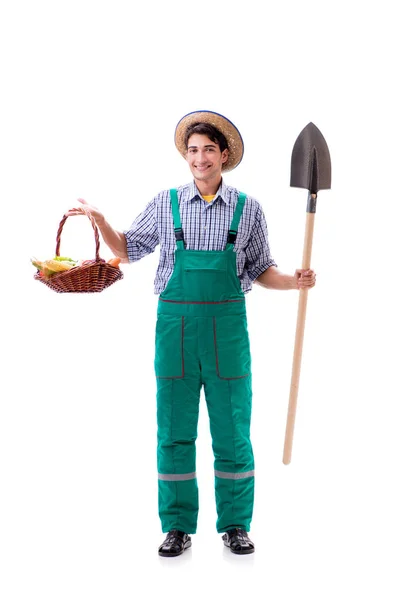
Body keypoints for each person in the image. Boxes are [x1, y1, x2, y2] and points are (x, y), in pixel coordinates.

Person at [70, 110, 316, 557]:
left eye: (208, 150)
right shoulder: (166, 204)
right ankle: (178, 526)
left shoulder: (248, 209)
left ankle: (236, 525)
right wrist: (104, 223)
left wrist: (293, 281)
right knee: (174, 431)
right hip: (175, 333)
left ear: (224, 156)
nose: (199, 158)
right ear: (187, 156)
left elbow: (261, 270)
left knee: (232, 432)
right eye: (193, 150)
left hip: (227, 335)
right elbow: (129, 249)